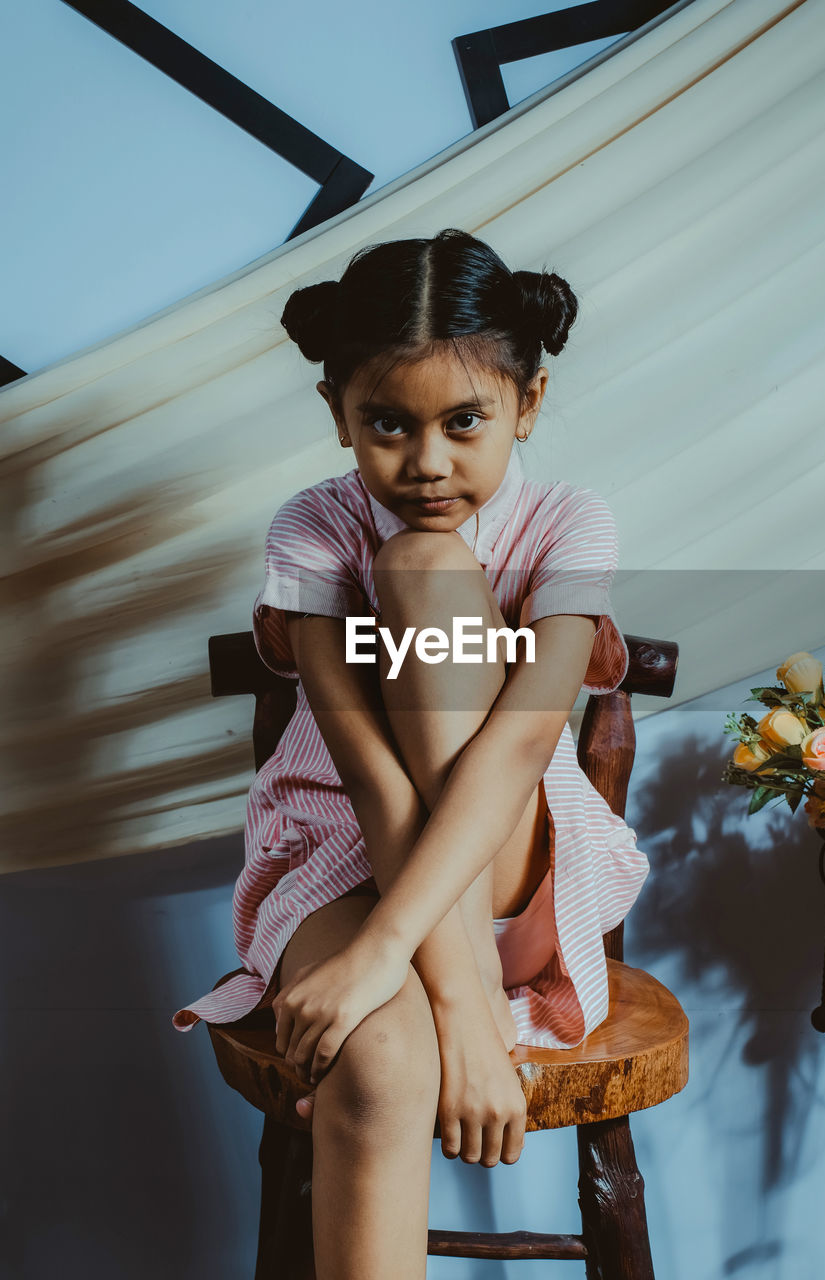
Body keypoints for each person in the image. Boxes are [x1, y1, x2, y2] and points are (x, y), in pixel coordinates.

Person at [174, 228, 649, 1278]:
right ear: (336, 410)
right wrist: (448, 1000)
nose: (426, 460)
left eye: (465, 420)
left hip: (515, 870)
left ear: (527, 401)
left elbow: (518, 747)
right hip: (351, 860)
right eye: (386, 423)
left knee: (425, 564)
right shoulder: (311, 525)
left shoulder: (571, 521)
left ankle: (451, 976)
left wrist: (438, 972)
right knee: (377, 1061)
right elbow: (366, 771)